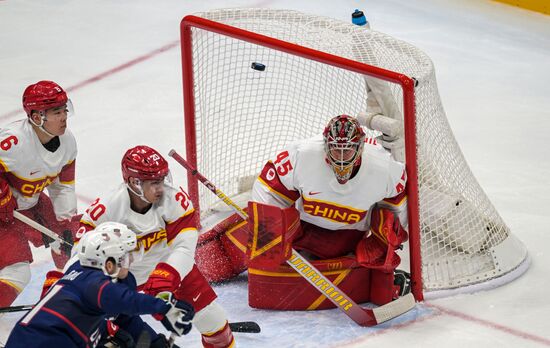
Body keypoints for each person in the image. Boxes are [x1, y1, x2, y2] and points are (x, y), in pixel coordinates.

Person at [68, 145, 234, 348]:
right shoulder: (105, 210)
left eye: (162, 180)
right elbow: (80, 257)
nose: (161, 188)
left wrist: (168, 275)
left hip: (168, 268)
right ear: (133, 183)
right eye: (154, 183)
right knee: (106, 334)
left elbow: (184, 247)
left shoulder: (174, 200)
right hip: (124, 278)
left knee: (213, 320)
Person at [5, 221, 194, 348]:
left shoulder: (82, 274)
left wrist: (154, 343)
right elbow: (124, 300)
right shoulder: (92, 283)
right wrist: (164, 308)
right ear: (109, 263)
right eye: (125, 256)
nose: (131, 261)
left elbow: (124, 318)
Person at [0, 81, 81, 307]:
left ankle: (69, 299)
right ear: (37, 118)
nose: (64, 116)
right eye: (57, 112)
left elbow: (63, 186)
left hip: (31, 204)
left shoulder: (68, 142)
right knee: (18, 272)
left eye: (65, 109)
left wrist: (65, 220)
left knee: (69, 243)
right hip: (3, 215)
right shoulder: (13, 142)